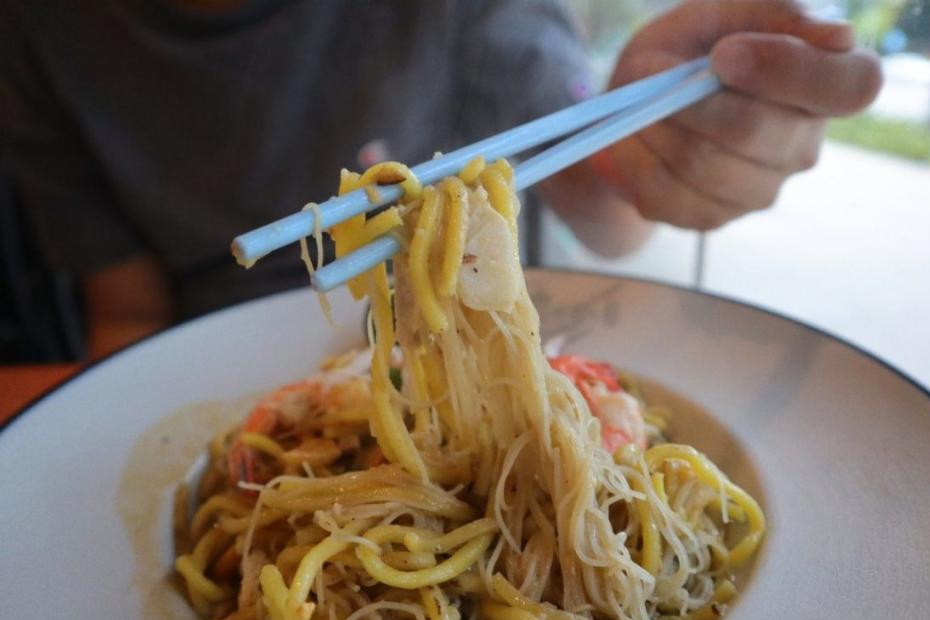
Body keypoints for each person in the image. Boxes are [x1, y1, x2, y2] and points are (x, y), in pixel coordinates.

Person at [0, 0, 881, 358]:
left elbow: (606, 203)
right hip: (219, 386)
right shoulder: (38, 32)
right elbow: (127, 318)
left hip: (460, 344)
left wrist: (655, 145)